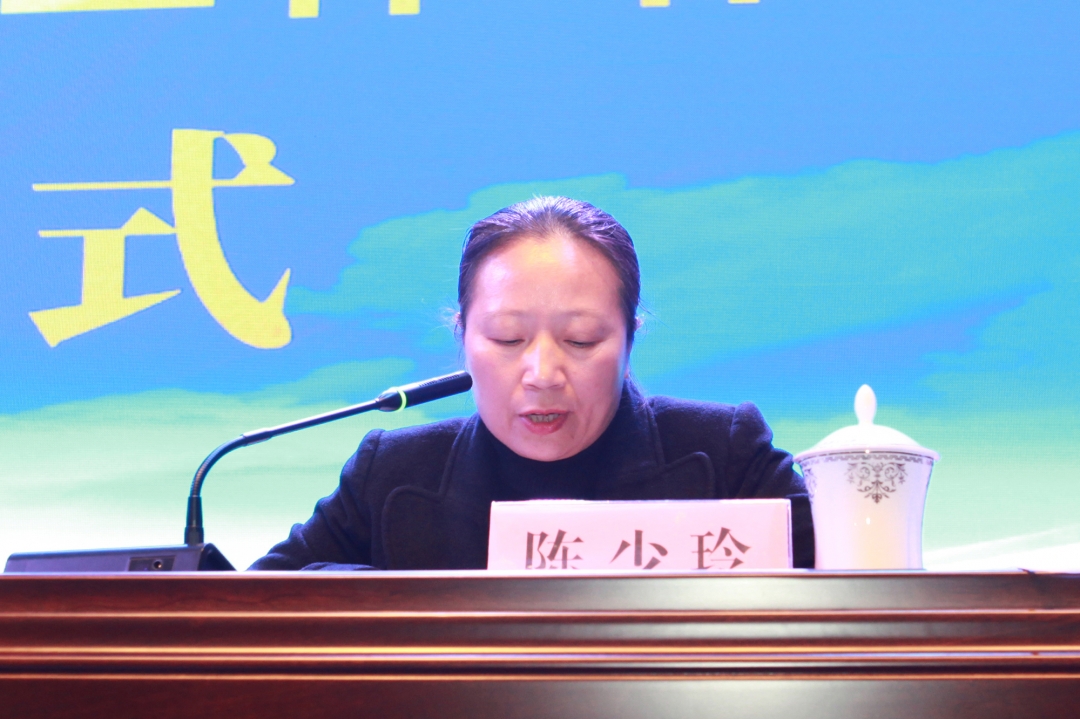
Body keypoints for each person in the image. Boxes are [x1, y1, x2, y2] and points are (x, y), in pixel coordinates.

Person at [251, 196, 814, 570]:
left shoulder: (726, 456)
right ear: (462, 336)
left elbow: (845, 595)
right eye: (508, 339)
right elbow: (252, 609)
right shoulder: (392, 474)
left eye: (581, 340)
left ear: (630, 340)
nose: (543, 374)